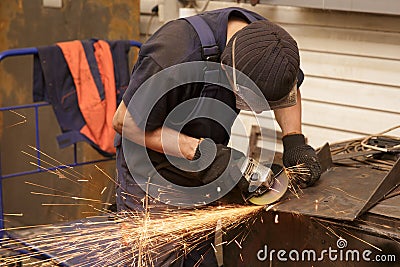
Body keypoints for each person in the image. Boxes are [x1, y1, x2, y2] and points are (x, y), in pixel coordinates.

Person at [112, 7, 321, 266]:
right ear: (229, 71)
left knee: (200, 255)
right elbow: (124, 121)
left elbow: (289, 89)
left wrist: (294, 140)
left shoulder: (270, 44)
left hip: (201, 171)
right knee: (160, 258)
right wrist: (201, 153)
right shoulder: (174, 52)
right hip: (152, 170)